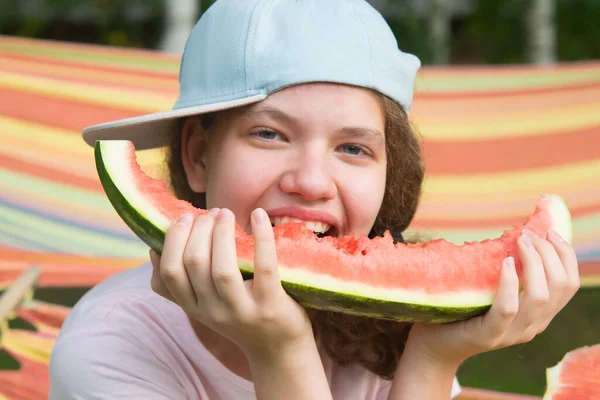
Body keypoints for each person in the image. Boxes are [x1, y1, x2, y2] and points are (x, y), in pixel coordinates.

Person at [48, 0, 580, 399]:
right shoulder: (112, 343)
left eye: (352, 147)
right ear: (198, 156)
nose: (311, 182)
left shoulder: (389, 335)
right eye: (270, 135)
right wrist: (279, 351)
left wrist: (434, 358)